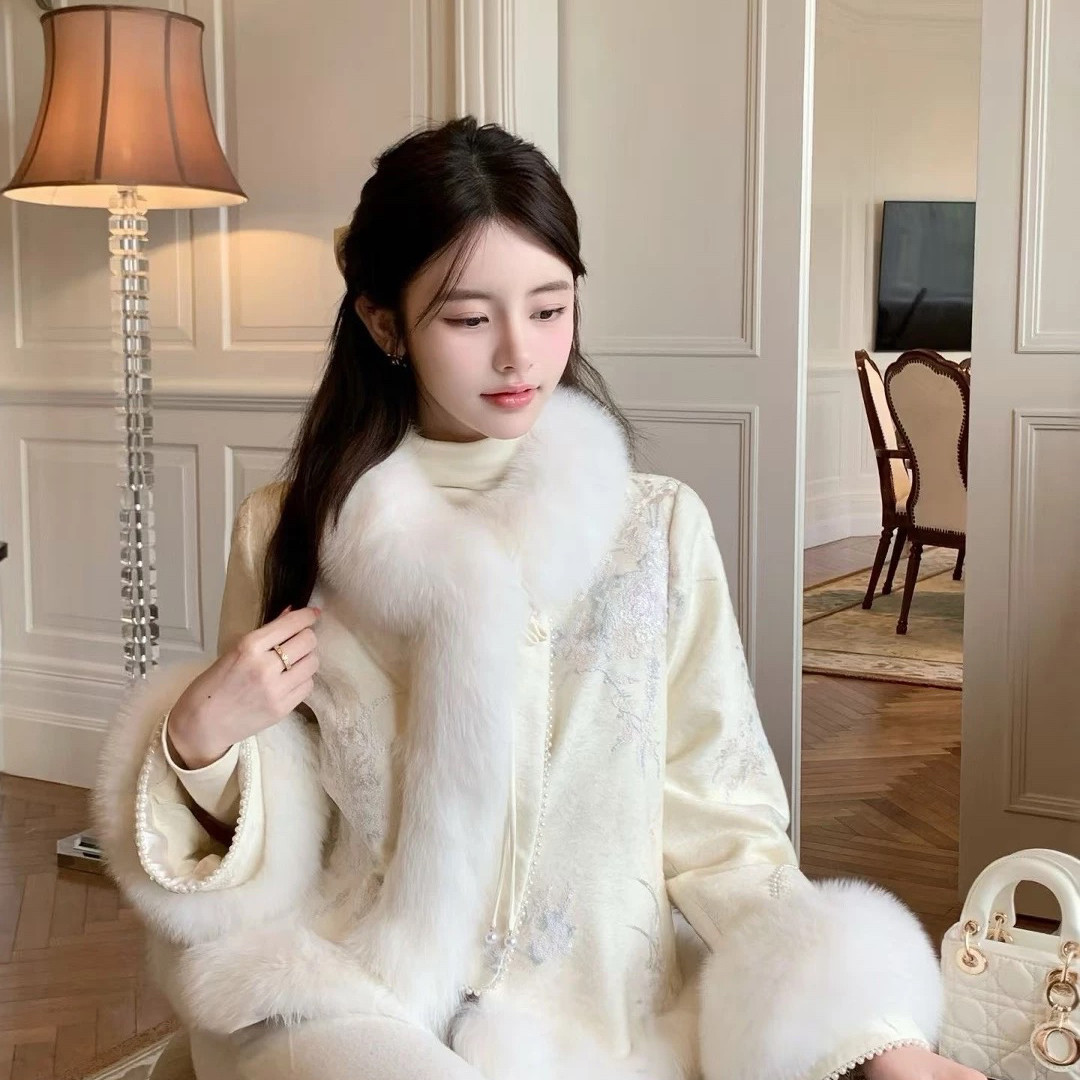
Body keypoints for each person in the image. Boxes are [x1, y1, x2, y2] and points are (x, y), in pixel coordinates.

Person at [94, 117, 977, 1080]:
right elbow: (274, 833)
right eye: (470, 320)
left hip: (593, 1020)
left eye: (550, 309)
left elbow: (723, 822)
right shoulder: (285, 531)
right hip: (343, 991)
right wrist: (197, 741)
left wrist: (869, 1035)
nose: (520, 354)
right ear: (386, 324)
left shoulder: (653, 532)